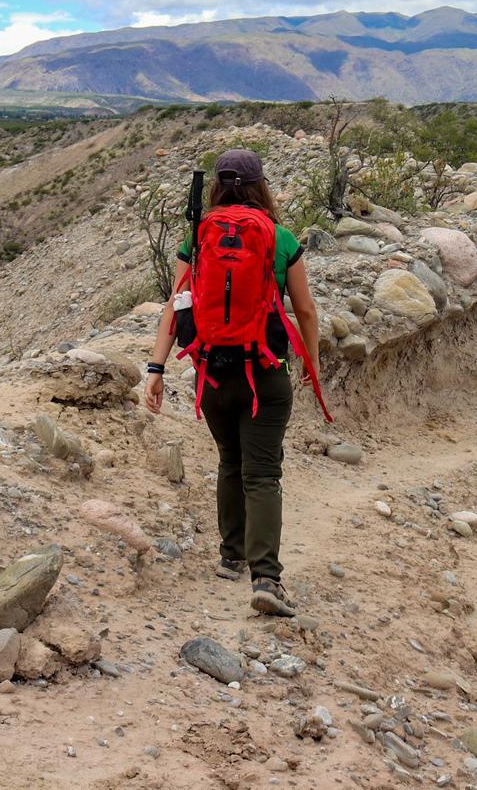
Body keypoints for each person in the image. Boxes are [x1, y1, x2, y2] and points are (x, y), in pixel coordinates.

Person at [142, 148, 321, 617]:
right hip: (264, 374)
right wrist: (312, 361)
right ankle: (266, 578)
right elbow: (305, 310)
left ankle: (230, 557)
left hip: (212, 373)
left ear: (217, 188)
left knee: (230, 461)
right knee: (262, 473)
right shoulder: (280, 238)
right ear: (261, 186)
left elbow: (176, 304)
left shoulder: (198, 235)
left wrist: (157, 368)